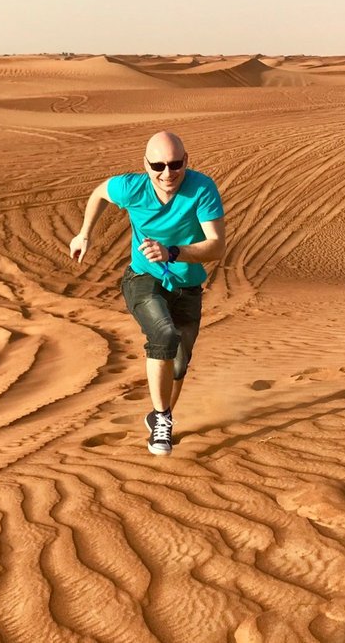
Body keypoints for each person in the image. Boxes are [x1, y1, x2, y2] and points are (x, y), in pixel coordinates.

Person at [69, 131, 226, 456]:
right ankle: (165, 420)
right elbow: (99, 193)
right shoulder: (131, 187)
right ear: (145, 164)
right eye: (158, 165)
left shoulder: (202, 189)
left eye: (174, 164)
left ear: (186, 160)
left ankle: (157, 416)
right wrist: (84, 234)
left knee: (180, 363)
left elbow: (216, 246)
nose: (167, 173)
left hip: (187, 283)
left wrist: (172, 252)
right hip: (142, 278)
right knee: (164, 336)